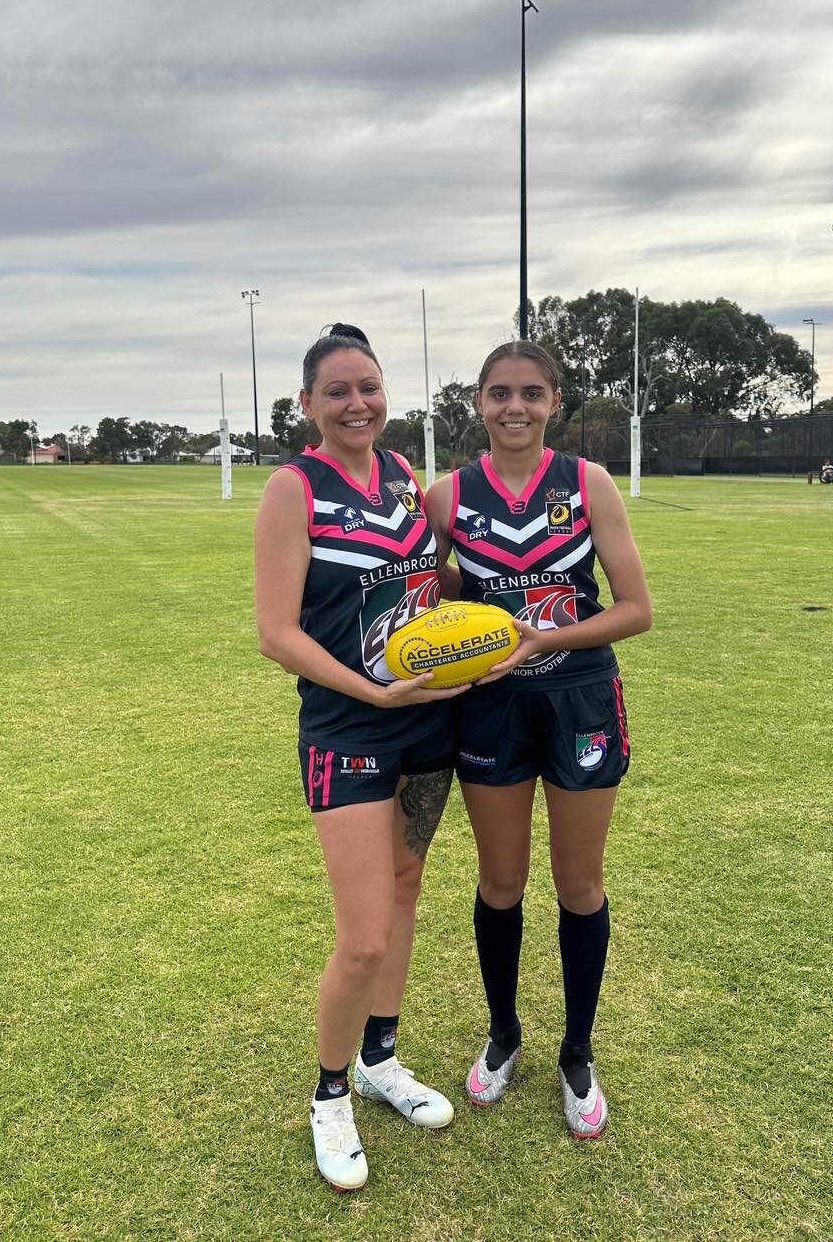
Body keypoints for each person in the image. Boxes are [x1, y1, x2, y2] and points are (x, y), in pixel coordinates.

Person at [254, 324, 464, 1192]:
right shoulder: (292, 489)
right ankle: (330, 1095)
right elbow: (275, 633)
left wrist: (471, 626)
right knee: (363, 938)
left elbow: (425, 586)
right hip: (349, 729)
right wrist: (371, 692)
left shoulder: (407, 478)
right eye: (336, 390)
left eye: (368, 386)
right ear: (307, 405)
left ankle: (381, 1059)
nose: (356, 403)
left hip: (426, 723)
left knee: (408, 890)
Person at [426, 339, 652, 1139]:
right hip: (490, 705)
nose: (514, 407)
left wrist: (546, 641)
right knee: (501, 882)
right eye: (498, 394)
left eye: (530, 393)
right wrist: (460, 603)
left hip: (579, 697)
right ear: (478, 404)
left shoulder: (587, 483)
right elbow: (432, 592)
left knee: (578, 883)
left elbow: (635, 609)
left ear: (554, 401)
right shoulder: (446, 497)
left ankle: (577, 1053)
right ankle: (504, 1036)